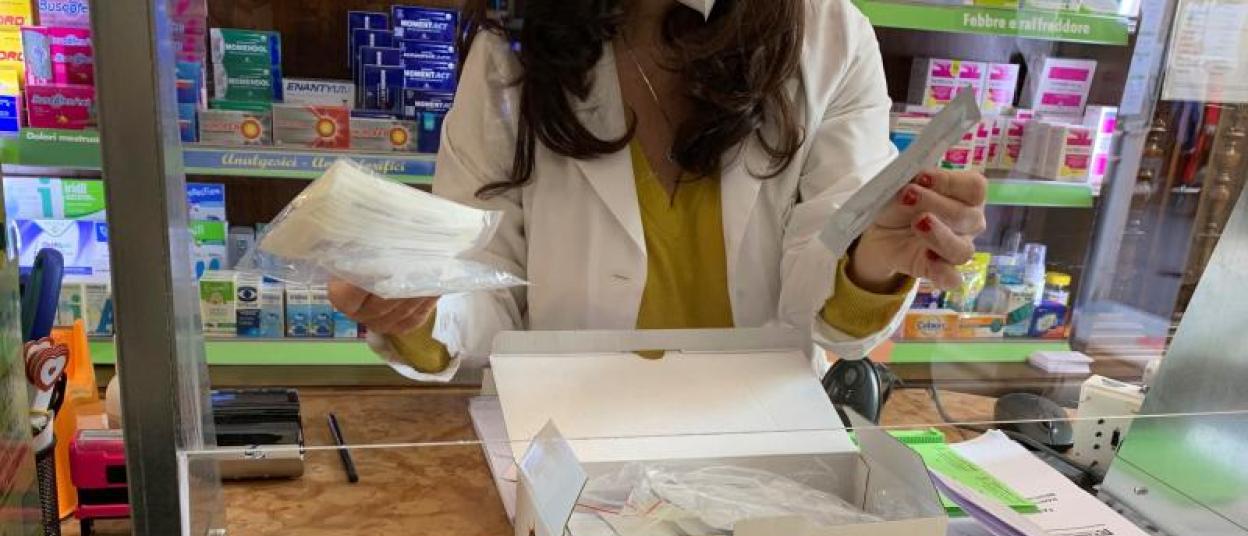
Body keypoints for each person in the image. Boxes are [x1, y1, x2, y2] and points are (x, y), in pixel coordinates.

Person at [329, 0, 987, 380]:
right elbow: (483, 281)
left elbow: (818, 309)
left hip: (758, 442)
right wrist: (417, 305)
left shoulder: (829, 37)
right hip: (562, 442)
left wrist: (872, 262)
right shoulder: (516, 46)